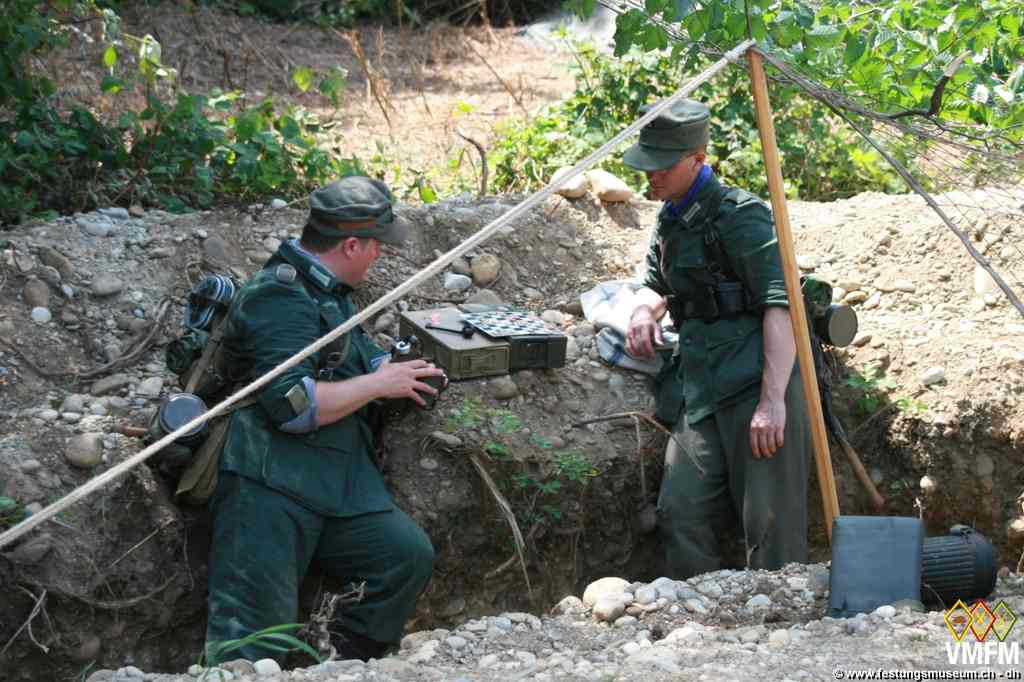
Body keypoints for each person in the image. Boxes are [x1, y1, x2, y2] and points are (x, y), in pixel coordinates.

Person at [204, 176, 443, 664]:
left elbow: (352, 356)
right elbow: (292, 405)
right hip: (268, 483)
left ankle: (332, 665)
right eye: (376, 244)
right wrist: (379, 384)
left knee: (403, 557)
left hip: (335, 478)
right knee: (253, 643)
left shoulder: (327, 290)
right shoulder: (278, 296)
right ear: (351, 245)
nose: (380, 253)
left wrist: (398, 370)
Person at [622, 99, 811, 579]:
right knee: (679, 513)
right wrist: (644, 312)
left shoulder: (740, 216)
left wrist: (772, 401)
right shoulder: (670, 216)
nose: (652, 175)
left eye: (663, 166)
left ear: (698, 160)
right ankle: (700, 613)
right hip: (700, 388)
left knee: (769, 526)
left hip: (753, 384)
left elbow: (781, 304)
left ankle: (780, 614)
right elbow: (655, 283)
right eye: (648, 165)